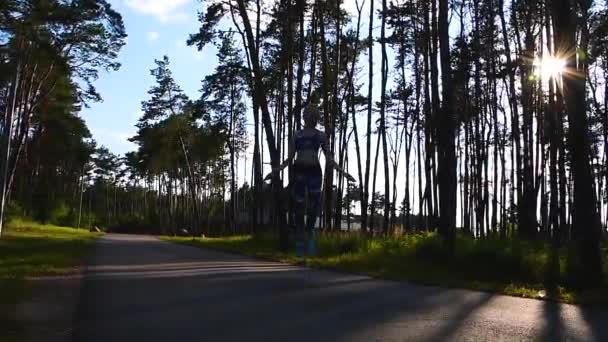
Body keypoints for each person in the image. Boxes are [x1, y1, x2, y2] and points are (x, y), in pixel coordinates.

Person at [265, 104, 355, 257]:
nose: (310, 117)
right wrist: (275, 171)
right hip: (299, 171)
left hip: (314, 172)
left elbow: (329, 159)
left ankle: (310, 239)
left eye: (313, 114)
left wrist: (343, 172)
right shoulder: (297, 135)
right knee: (299, 207)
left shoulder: (321, 136)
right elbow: (289, 158)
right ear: (304, 116)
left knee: (313, 208)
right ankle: (300, 243)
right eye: (308, 114)